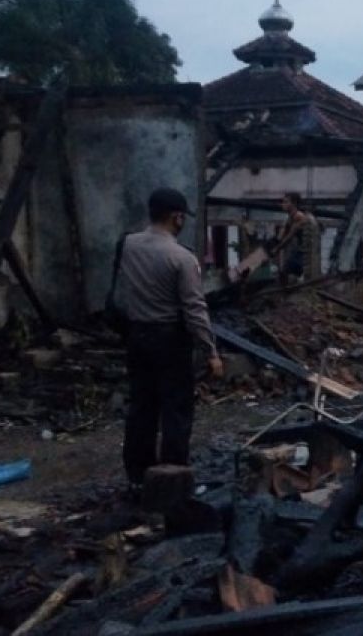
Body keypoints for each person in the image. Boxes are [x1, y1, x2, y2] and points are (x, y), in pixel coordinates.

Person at [113, 188, 223, 495]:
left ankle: (138, 476)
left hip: (137, 336)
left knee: (142, 408)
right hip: (170, 339)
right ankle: (172, 479)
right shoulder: (181, 258)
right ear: (176, 217)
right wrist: (210, 351)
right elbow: (194, 309)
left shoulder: (128, 245)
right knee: (175, 410)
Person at [278, 192, 319, 284]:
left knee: (286, 270)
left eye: (286, 202)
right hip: (299, 251)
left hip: (305, 252)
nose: (283, 204)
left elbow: (288, 238)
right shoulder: (290, 218)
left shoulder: (298, 217)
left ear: (294, 203)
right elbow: (281, 236)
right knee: (284, 271)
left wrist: (276, 248)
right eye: (283, 202)